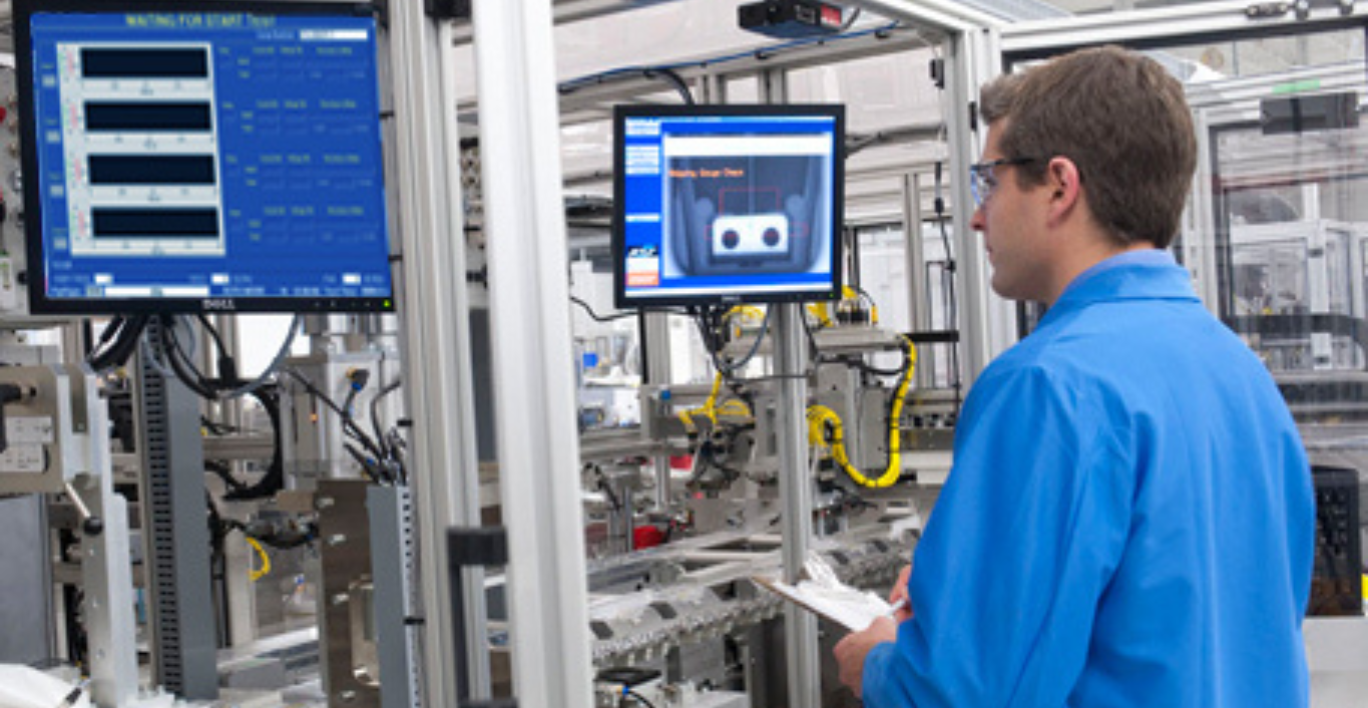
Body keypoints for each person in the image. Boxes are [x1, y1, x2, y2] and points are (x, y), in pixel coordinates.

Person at [833, 46, 1313, 707]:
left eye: (989, 182)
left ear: (1059, 185)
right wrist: (968, 589)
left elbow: (963, 695)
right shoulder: (1240, 373)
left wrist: (880, 662)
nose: (977, 216)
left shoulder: (1047, 386)